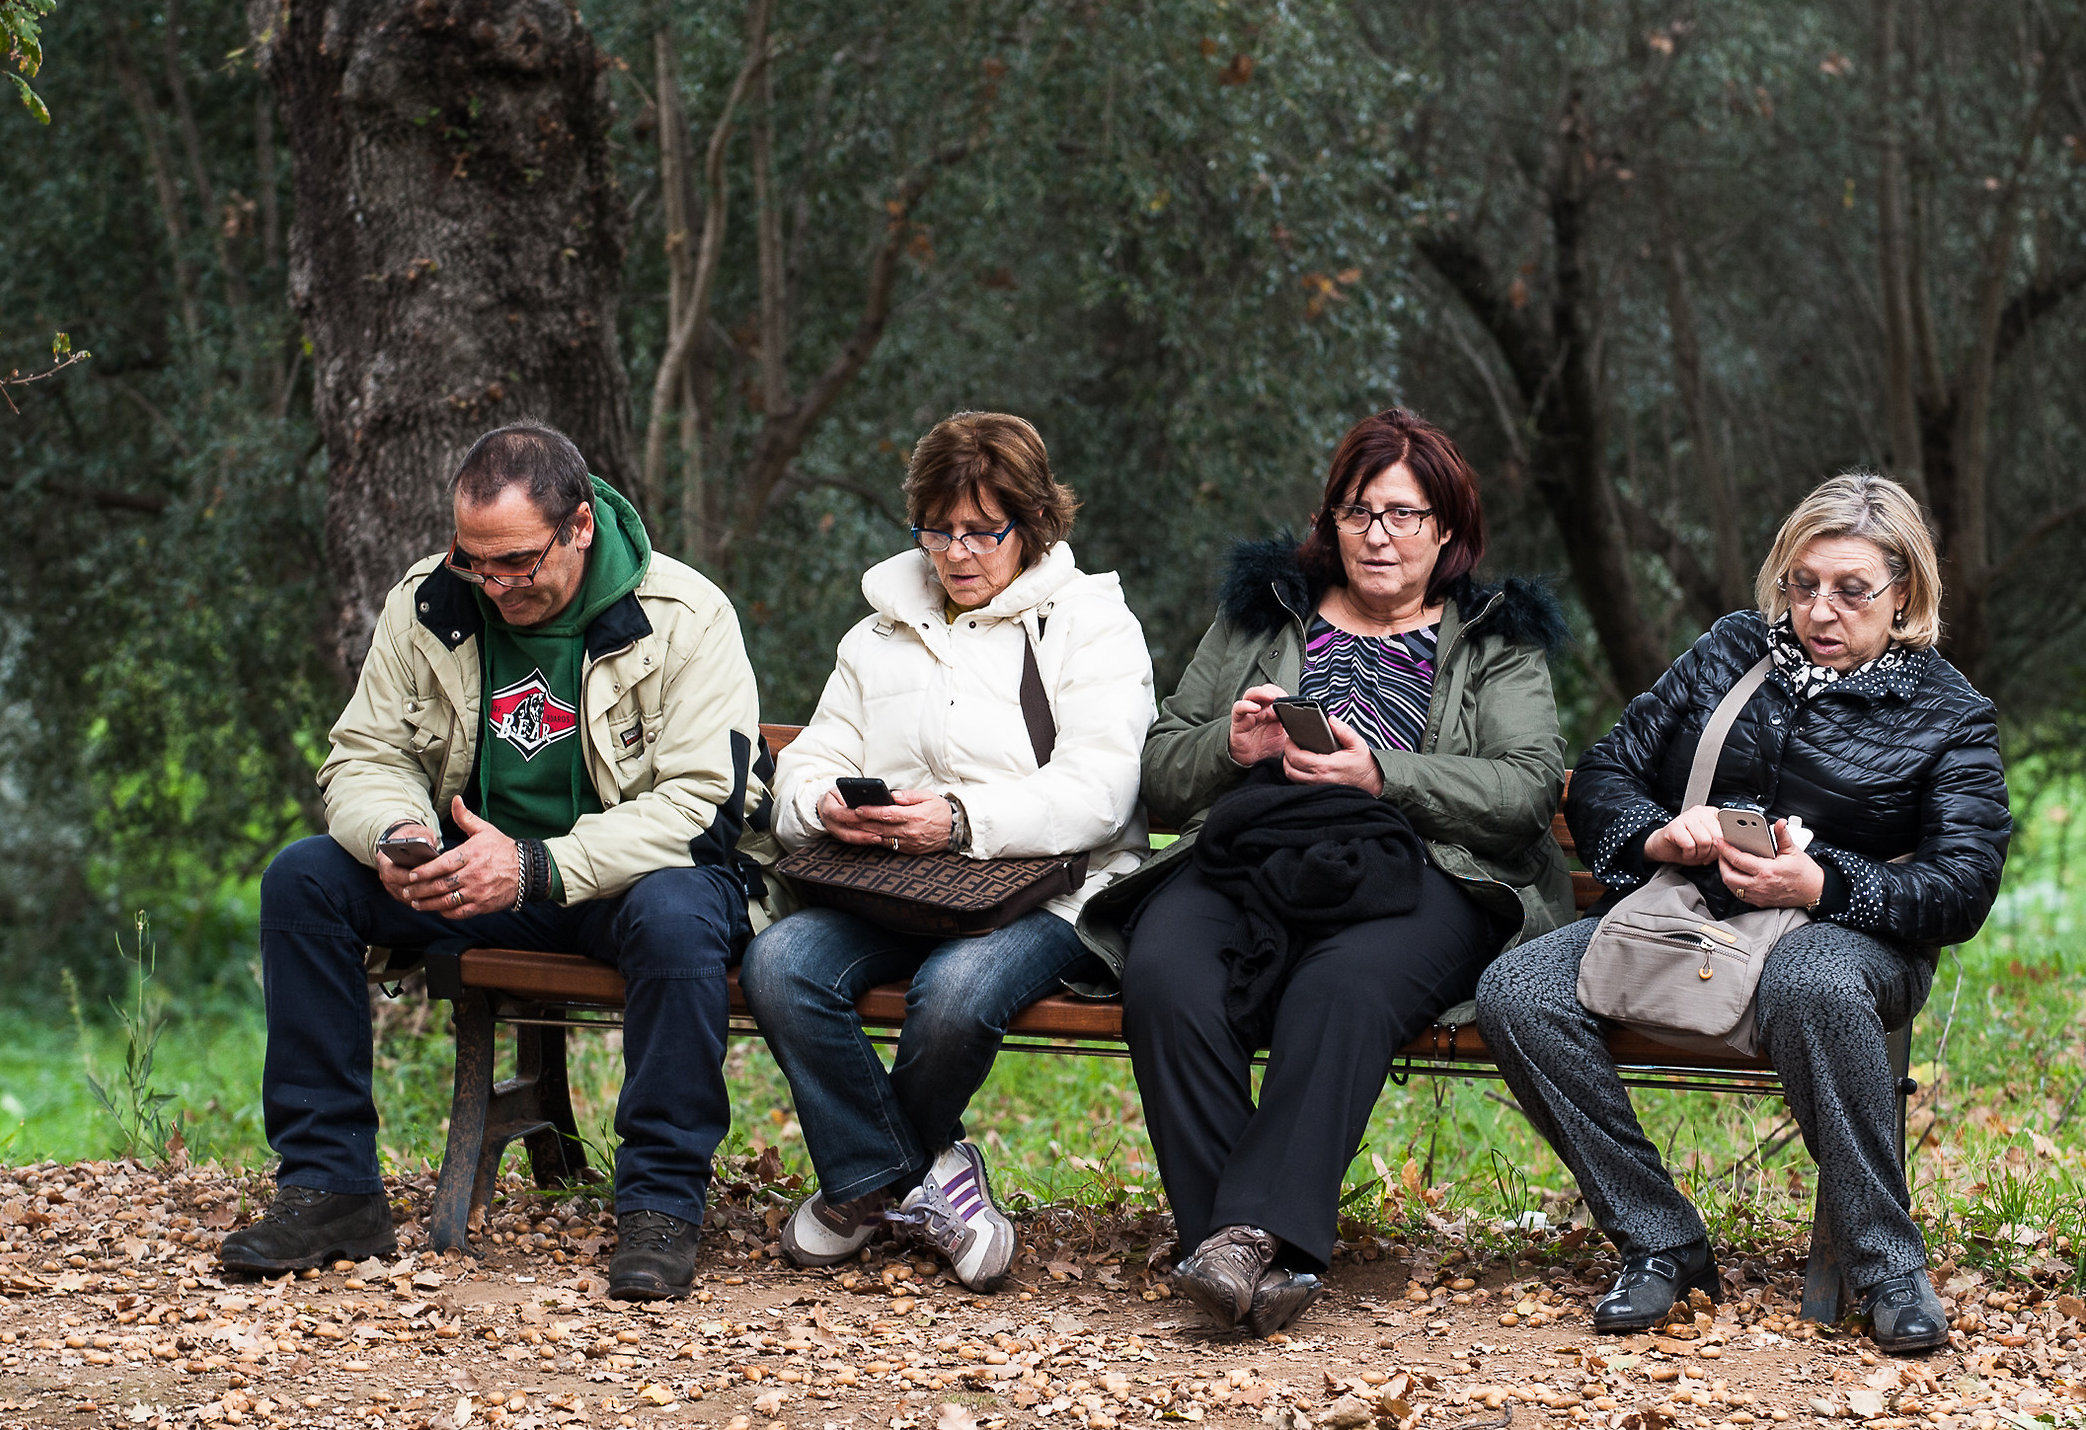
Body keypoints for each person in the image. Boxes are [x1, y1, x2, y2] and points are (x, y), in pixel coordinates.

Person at [223, 422, 773, 1301]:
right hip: (475, 871)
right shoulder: (431, 600)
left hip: (625, 879)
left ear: (581, 525)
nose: (496, 583)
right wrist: (397, 834)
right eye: (476, 558)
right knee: (305, 879)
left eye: (518, 560)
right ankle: (331, 1190)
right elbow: (366, 751)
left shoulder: (687, 616)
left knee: (678, 918)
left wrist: (537, 865)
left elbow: (699, 808)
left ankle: (661, 1207)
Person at [1474, 473, 2010, 1354]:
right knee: (1517, 990)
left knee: (1810, 981)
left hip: (1851, 934)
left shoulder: (1950, 713)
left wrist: (1823, 884)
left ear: (1904, 590)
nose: (1821, 610)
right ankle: (1660, 1240)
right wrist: (1660, 834)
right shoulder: (1731, 650)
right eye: (1803, 585)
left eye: (1850, 589)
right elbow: (1608, 769)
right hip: (1690, 911)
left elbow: (1963, 884)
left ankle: (1886, 1267)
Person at [1084, 408, 1571, 1337]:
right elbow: (1161, 766)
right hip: (1253, 852)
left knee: (1340, 986)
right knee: (1167, 972)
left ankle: (1245, 1234)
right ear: (1329, 522)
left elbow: (1523, 791)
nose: (1378, 535)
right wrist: (1231, 743)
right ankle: (1247, 1249)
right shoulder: (1261, 614)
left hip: (1426, 868)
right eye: (1358, 512)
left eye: (1403, 514)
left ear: (1446, 530)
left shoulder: (1497, 637)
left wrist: (1384, 771)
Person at [742, 411, 1156, 1292]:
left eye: (983, 530)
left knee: (956, 992)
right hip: (897, 885)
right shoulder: (878, 632)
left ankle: (863, 1186)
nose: (958, 552)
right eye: (939, 530)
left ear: (1034, 522)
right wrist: (820, 801)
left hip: (1053, 892)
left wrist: (961, 817)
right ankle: (913, 1177)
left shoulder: (1091, 624)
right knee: (779, 961)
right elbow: (815, 753)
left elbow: (1101, 792)